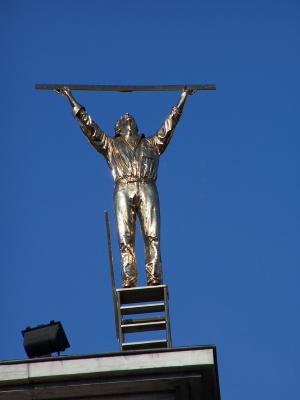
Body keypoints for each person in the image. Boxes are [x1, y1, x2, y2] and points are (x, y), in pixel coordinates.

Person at [56, 87, 194, 287]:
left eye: (129, 117)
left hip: (147, 186)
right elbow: (90, 127)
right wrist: (70, 98)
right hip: (123, 188)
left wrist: (182, 98)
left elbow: (170, 125)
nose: (127, 116)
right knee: (125, 237)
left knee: (152, 235)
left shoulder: (151, 144)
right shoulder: (111, 145)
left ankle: (154, 277)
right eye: (122, 118)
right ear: (117, 128)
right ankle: (129, 279)